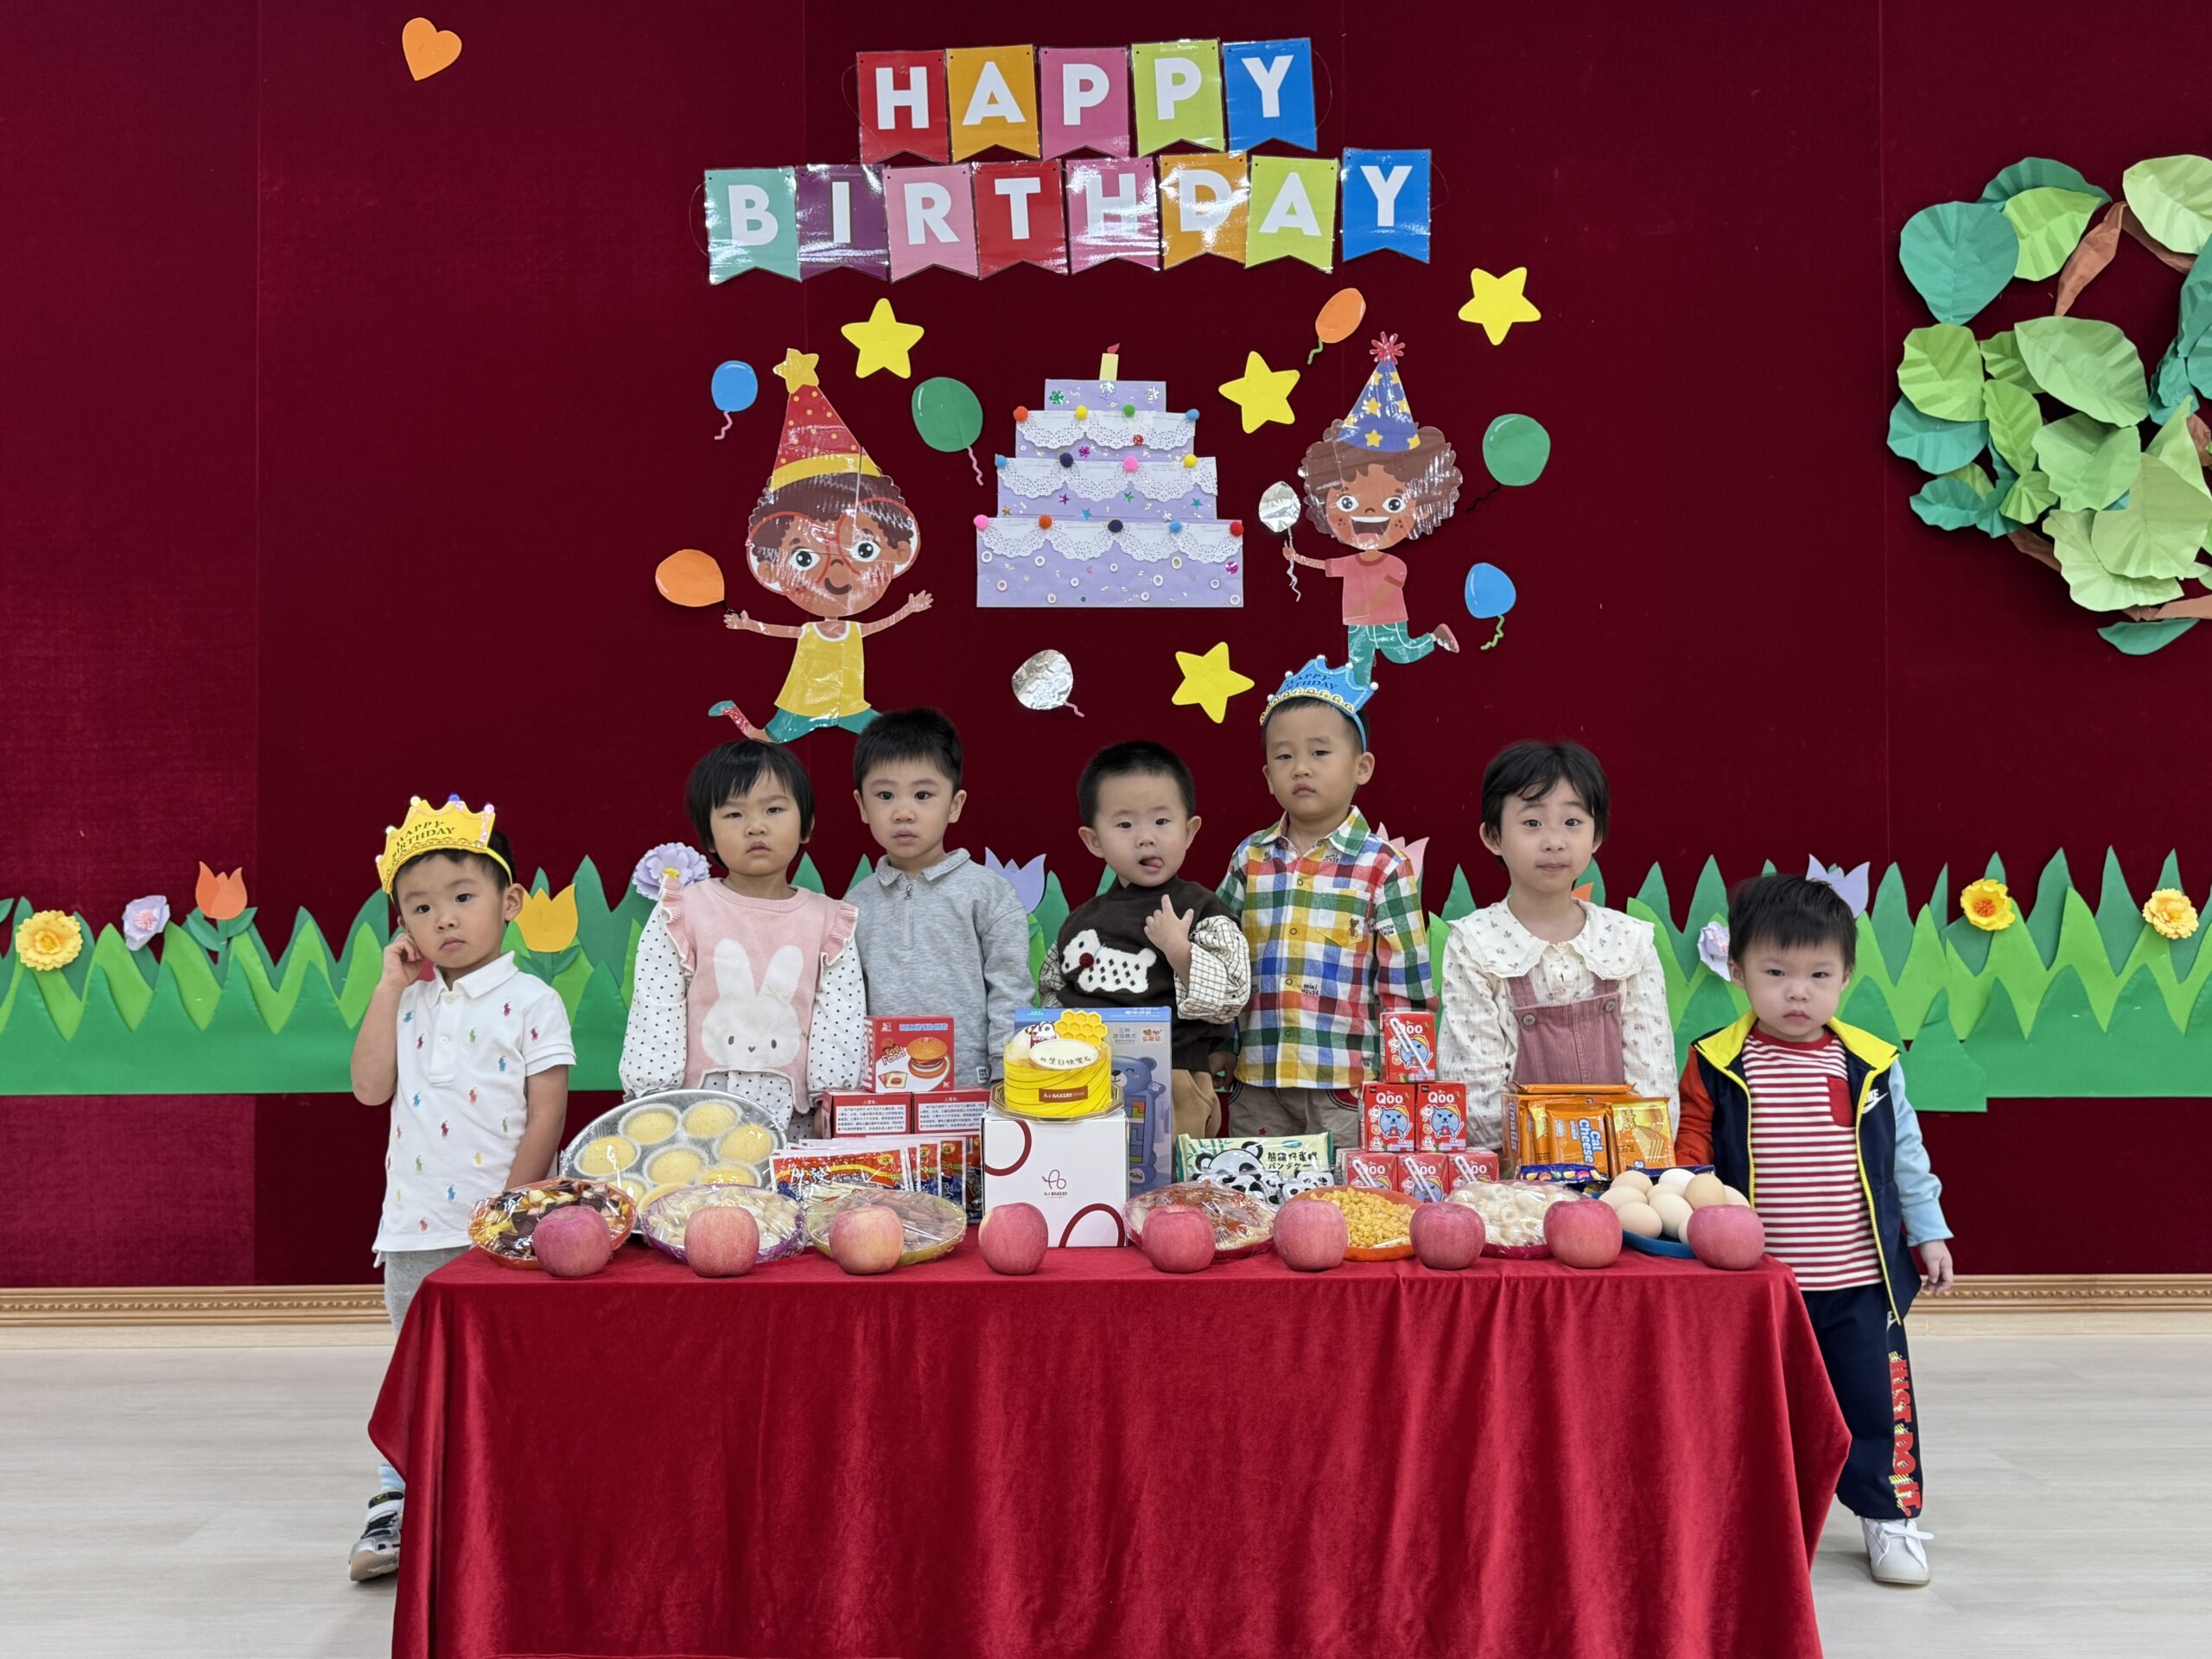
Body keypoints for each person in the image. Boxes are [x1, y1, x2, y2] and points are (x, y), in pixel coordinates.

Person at [1675, 874, 1956, 1587]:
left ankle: (1889, 1518)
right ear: (1737, 971)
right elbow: (1690, 1159)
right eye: (1775, 973)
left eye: (1818, 975)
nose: (1796, 993)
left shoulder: (1871, 1062)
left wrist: (1929, 1233)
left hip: (1861, 1282)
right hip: (1761, 1287)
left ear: (1846, 976)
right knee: (1754, 1409)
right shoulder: (1716, 1061)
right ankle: (1747, 1525)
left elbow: (1906, 1155)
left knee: (1876, 1405)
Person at [346, 796, 574, 1582]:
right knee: (415, 1371)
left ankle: (501, 1501)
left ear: (510, 903)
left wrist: (509, 1214)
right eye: (420, 906)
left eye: (463, 896)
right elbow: (369, 1089)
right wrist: (387, 987)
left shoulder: (534, 1001)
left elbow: (547, 1113)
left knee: (505, 1370)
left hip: (503, 1230)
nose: (443, 918)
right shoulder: (407, 1002)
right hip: (414, 1229)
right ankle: (396, 1500)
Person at [1216, 659, 1429, 1147]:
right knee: (1257, 1184)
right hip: (1259, 1079)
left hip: (1346, 1084)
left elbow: (1405, 985)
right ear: (1268, 776)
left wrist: (1402, 1078)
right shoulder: (1250, 858)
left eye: (1319, 752)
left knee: (1344, 1191)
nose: (1302, 768)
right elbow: (1221, 963)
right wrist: (1221, 1044)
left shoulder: (1384, 867)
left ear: (1361, 767)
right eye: (1284, 756)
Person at [1435, 741, 1677, 1150]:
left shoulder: (1628, 943)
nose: (1554, 841)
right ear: (1493, 836)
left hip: (1624, 1166)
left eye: (1572, 822)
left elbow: (1655, 1090)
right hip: (1516, 1170)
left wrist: (1615, 1158)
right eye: (1532, 823)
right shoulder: (1475, 945)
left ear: (1597, 835)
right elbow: (1477, 1104)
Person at [620, 741, 867, 1129]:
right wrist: (654, 1100)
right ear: (709, 836)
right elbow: (656, 1007)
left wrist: (832, 1103)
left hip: (794, 1121)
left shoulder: (829, 921)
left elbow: (840, 1020)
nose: (755, 826)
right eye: (734, 814)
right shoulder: (683, 911)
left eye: (774, 809)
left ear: (807, 825)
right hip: (692, 1116)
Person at [1040, 741, 1250, 1138]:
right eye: (1125, 825)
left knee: (1166, 1174)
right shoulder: (1081, 922)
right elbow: (1053, 991)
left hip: (1174, 1077)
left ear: (1189, 831)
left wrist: (1181, 951)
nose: (1145, 838)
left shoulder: (1201, 910)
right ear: (1094, 840)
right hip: (1084, 1078)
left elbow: (1232, 996)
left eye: (1161, 821)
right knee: (1085, 1166)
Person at [717, 351, 930, 741]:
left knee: (885, 735)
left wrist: (909, 609)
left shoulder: (849, 629)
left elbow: (879, 625)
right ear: (769, 569)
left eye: (863, 550)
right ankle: (733, 713)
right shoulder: (813, 630)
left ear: (900, 552)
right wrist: (747, 625)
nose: (836, 577)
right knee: (768, 738)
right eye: (804, 557)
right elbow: (781, 631)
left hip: (850, 705)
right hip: (805, 704)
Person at [844, 708, 1033, 1088]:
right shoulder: (854, 904)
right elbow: (846, 1004)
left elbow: (1010, 988)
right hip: (884, 1089)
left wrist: (1006, 1074)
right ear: (863, 806)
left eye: (923, 795)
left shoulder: (988, 892)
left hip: (974, 1088)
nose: (903, 812)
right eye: (885, 795)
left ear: (955, 805)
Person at [1290, 334, 1462, 685]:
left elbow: (1389, 584)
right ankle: (1356, 704)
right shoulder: (1352, 563)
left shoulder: (1395, 564)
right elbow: (1326, 565)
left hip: (1387, 621)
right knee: (1358, 668)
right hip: (1356, 624)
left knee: (1402, 653)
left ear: (1422, 505)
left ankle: (1434, 637)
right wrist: (1296, 557)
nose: (1368, 514)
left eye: (1393, 503)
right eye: (1348, 503)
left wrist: (1372, 604)